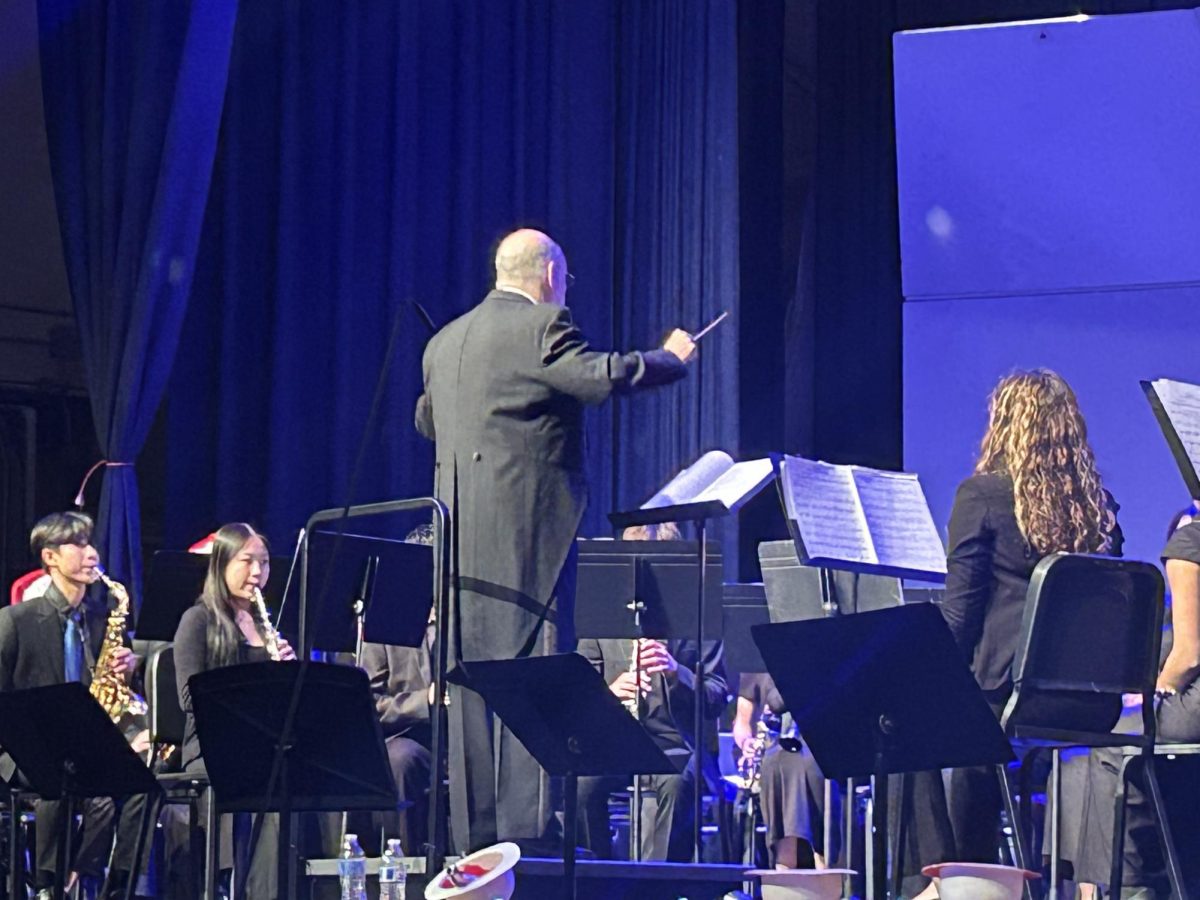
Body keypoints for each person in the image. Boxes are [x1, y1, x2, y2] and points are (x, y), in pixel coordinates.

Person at [414, 227, 696, 852]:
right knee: (532, 697)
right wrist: (670, 357)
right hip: (527, 553)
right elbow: (598, 376)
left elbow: (428, 419)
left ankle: (475, 860)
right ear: (549, 277)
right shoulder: (541, 326)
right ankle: (526, 859)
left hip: (458, 559)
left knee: (473, 703)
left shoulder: (442, 343)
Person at [909, 369, 1122, 899]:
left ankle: (947, 881)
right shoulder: (1102, 512)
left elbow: (959, 618)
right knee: (962, 726)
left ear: (1003, 426)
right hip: (1092, 707)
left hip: (1009, 698)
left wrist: (915, 674)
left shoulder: (982, 495)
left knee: (906, 725)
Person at [0, 512, 145, 900]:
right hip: (26, 749)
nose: (91, 553)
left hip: (85, 743)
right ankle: (50, 883)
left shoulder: (99, 622)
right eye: (78, 545)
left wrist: (130, 670)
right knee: (74, 784)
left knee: (142, 786)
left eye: (90, 543)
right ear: (50, 557)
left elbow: (119, 691)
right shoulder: (16, 621)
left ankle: (116, 886)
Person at [574, 523, 727, 862]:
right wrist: (609, 693)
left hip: (674, 740)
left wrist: (677, 671)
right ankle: (596, 876)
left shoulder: (698, 619)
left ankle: (658, 884)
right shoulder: (601, 614)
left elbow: (717, 695)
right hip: (615, 736)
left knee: (679, 785)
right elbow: (580, 680)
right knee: (582, 784)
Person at [1074, 519, 1200, 898]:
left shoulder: (1191, 541)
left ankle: (1124, 888)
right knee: (1081, 762)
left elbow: (1190, 655)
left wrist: (1157, 692)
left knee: (1107, 744)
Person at [172, 523, 296, 899]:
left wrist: (286, 675)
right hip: (211, 747)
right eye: (247, 561)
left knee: (301, 780)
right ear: (222, 564)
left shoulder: (266, 624)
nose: (258, 573)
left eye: (264, 563)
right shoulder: (198, 620)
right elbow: (188, 698)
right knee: (257, 781)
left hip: (262, 745)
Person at [733, 672, 839, 869]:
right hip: (775, 749)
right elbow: (742, 722)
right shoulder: (756, 663)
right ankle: (790, 865)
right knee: (778, 763)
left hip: (820, 744)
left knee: (807, 764)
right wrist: (746, 742)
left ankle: (806, 862)